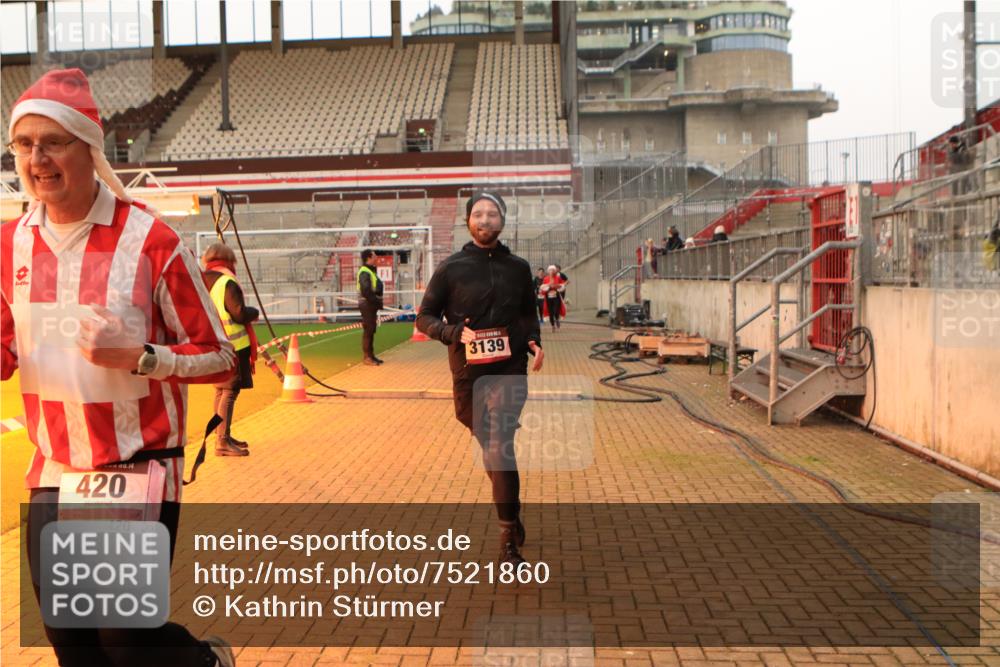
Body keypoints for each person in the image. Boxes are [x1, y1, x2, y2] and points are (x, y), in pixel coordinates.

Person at [1, 68, 236, 666]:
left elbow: (221, 356)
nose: (37, 159)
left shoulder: (152, 241)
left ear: (89, 148)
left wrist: (140, 357)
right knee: (71, 642)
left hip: (137, 464)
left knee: (125, 641)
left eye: (53, 142)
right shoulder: (8, 245)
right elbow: (6, 351)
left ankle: (207, 661)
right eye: (24, 144)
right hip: (54, 470)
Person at [416, 190, 543, 565]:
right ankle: (512, 509)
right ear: (468, 221)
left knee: (500, 444)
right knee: (489, 446)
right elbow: (424, 317)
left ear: (502, 221)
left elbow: (528, 313)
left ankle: (507, 540)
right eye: (479, 214)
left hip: (508, 368)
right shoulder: (451, 268)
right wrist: (452, 332)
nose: (485, 219)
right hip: (468, 372)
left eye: (493, 214)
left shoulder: (518, 268)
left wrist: (534, 341)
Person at [202, 243, 260, 457]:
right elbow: (239, 313)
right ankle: (222, 441)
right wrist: (254, 312)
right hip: (233, 346)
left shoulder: (202, 279)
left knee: (220, 391)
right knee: (229, 391)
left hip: (214, 343)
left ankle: (222, 434)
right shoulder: (226, 282)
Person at [358, 248, 384, 366]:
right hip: (367, 304)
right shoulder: (365, 272)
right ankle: (367, 357)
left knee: (371, 329)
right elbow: (366, 291)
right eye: (374, 256)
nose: (376, 257)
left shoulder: (370, 271)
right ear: (368, 258)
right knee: (369, 330)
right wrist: (376, 301)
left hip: (370, 304)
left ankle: (371, 355)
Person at [542, 265, 567, 331]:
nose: (551, 271)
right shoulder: (546, 278)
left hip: (556, 297)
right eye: (550, 270)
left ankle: (557, 319)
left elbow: (562, 285)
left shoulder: (558, 277)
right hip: (548, 298)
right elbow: (543, 288)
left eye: (553, 270)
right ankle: (553, 325)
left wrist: (557, 286)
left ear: (555, 271)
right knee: (550, 313)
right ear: (548, 271)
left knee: (556, 310)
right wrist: (549, 287)